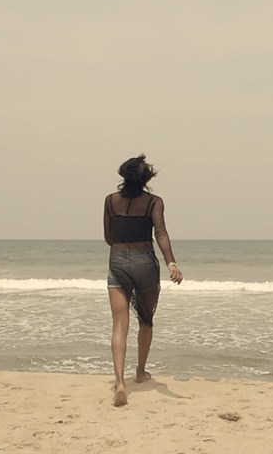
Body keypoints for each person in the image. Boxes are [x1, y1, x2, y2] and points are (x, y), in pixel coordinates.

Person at [103, 154, 183, 407]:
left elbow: (108, 237)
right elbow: (161, 233)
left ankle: (120, 383)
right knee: (146, 320)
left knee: (119, 324)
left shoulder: (110, 201)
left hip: (117, 261)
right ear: (146, 179)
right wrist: (171, 262)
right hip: (144, 262)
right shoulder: (153, 202)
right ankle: (139, 371)